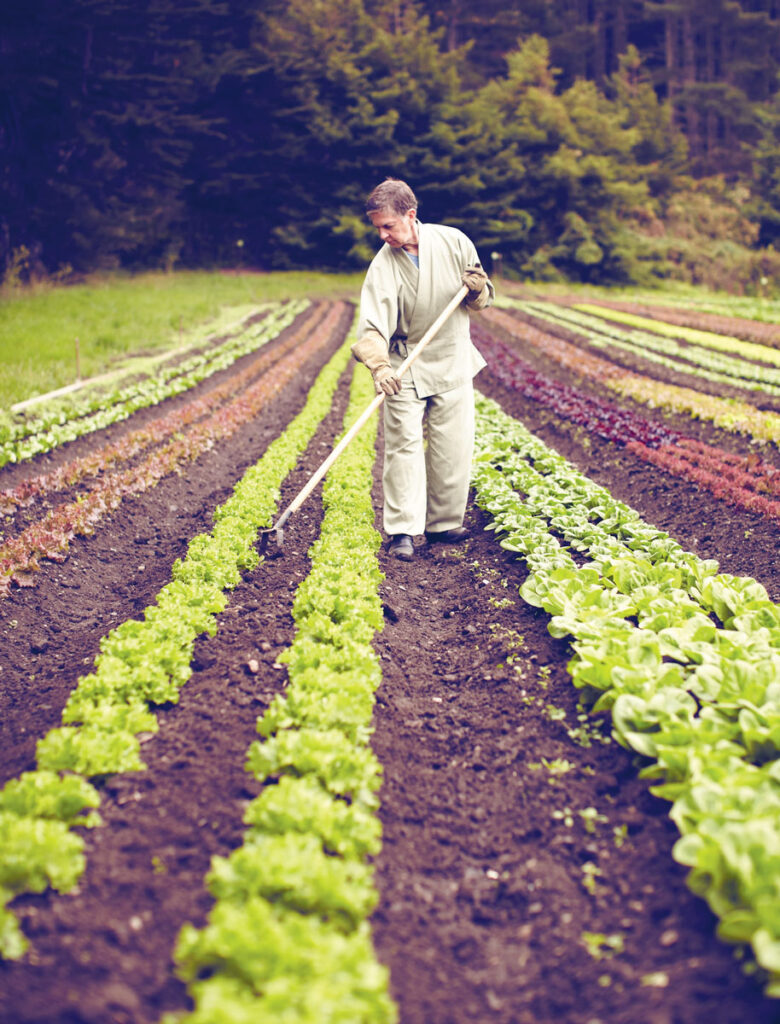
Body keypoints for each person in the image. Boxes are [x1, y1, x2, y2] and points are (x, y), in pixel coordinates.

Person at [352, 178, 494, 562]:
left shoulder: (454, 242)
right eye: (378, 228)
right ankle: (402, 531)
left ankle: (444, 524)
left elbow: (482, 298)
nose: (382, 235)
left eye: (389, 226)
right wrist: (380, 368)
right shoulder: (383, 265)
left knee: (453, 444)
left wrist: (478, 288)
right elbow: (372, 327)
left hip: (451, 357)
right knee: (403, 447)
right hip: (403, 364)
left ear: (410, 216)